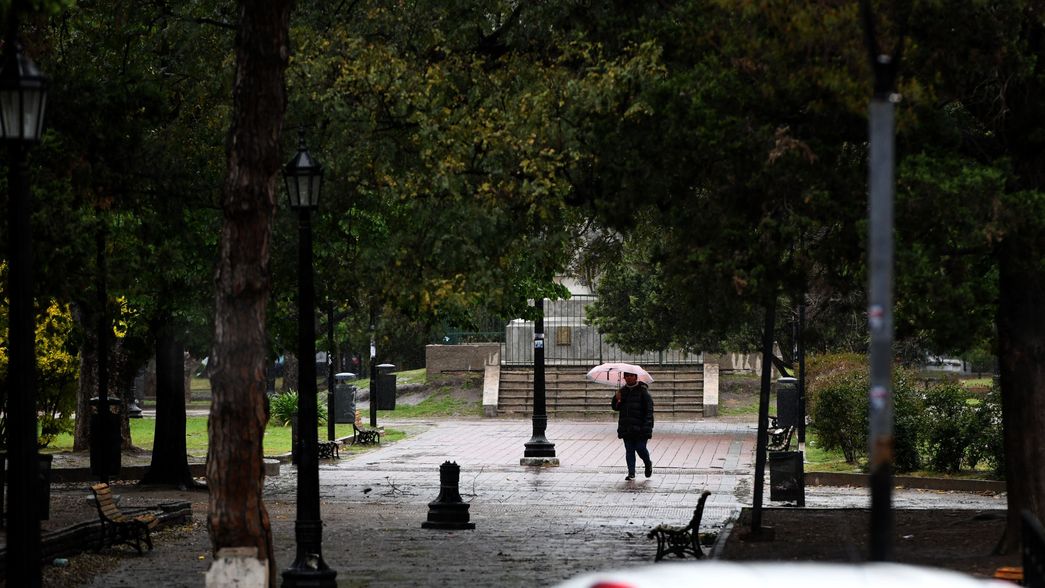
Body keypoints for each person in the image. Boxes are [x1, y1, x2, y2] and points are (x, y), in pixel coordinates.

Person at [611, 372, 654, 480]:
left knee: (640, 448)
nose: (629, 378)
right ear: (624, 378)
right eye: (627, 376)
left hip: (641, 427)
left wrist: (647, 425)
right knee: (629, 450)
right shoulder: (622, 391)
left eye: (631, 376)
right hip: (627, 426)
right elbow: (616, 407)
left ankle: (647, 463)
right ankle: (631, 473)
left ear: (636, 377)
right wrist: (617, 399)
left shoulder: (643, 391)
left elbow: (649, 410)